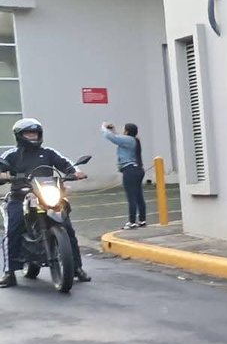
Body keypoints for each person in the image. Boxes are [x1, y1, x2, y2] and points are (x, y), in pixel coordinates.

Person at [1, 118, 90, 287]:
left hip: (46, 196)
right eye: (28, 133)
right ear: (20, 136)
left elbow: (67, 164)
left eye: (35, 133)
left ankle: (77, 268)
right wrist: (7, 176)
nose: (32, 136)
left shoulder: (48, 152)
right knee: (13, 230)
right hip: (21, 197)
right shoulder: (11, 154)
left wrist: (76, 172)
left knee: (68, 229)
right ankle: (9, 272)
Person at [102, 122, 146, 229]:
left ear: (127, 131)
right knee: (139, 196)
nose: (123, 131)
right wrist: (113, 130)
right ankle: (142, 220)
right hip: (137, 170)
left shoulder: (129, 140)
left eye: (124, 130)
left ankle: (132, 222)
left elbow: (111, 137)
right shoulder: (133, 140)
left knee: (131, 197)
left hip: (130, 170)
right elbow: (118, 138)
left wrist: (104, 127)